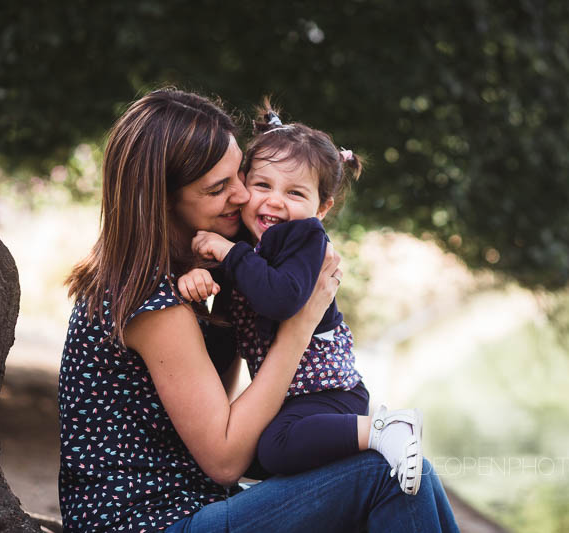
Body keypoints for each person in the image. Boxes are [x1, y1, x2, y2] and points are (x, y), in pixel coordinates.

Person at [59, 87, 460, 532]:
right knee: (385, 471)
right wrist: (301, 325)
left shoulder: (183, 276)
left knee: (409, 469)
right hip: (152, 522)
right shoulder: (151, 302)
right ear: (162, 199)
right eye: (218, 188)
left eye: (240, 176)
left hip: (194, 502)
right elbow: (226, 459)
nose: (242, 196)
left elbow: (228, 411)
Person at [176, 101, 424, 495]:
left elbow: (280, 300)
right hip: (292, 397)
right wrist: (199, 276)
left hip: (328, 393)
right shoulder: (246, 241)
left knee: (274, 450)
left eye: (294, 192)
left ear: (321, 208)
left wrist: (226, 252)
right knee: (248, 453)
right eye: (263, 186)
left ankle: (385, 427)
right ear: (245, 184)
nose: (274, 201)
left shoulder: (304, 238)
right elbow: (232, 277)